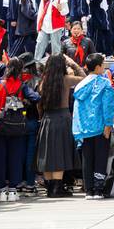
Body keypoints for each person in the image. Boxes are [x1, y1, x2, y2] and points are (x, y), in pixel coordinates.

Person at [37, 51, 86, 197]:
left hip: (47, 118)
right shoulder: (66, 79)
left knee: (47, 154)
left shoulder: (43, 81)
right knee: (59, 153)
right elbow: (84, 78)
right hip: (62, 118)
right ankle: (57, 188)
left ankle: (50, 187)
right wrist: (72, 63)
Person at [0, 56, 39, 201]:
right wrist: (23, 100)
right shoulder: (22, 85)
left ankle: (1, 189)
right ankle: (12, 189)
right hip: (17, 124)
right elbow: (36, 97)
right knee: (15, 157)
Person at [72, 53, 114, 199]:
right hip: (100, 126)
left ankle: (89, 190)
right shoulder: (104, 83)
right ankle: (98, 189)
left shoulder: (80, 85)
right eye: (103, 65)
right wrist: (108, 124)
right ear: (98, 67)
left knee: (87, 158)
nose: (104, 67)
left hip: (84, 128)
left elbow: (77, 110)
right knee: (100, 158)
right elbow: (108, 105)